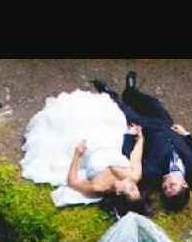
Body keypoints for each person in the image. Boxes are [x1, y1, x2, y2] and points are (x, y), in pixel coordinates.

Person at [20, 88, 148, 212]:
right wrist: (140, 139)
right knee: (100, 114)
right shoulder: (134, 176)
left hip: (89, 147)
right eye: (136, 189)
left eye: (131, 190)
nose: (134, 186)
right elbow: (135, 158)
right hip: (110, 140)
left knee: (68, 124)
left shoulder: (98, 186)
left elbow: (73, 182)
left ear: (119, 193)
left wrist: (77, 154)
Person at [93, 72, 192, 211]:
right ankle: (131, 92)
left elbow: (129, 157)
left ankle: (108, 93)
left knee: (124, 111)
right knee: (153, 104)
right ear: (184, 185)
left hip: (147, 128)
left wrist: (130, 135)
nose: (166, 184)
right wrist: (186, 135)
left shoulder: (152, 173)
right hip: (167, 125)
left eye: (165, 189)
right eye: (172, 186)